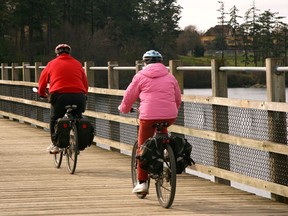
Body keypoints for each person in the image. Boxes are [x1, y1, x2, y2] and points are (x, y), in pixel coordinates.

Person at [118, 50, 182, 193]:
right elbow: (178, 98)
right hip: (170, 116)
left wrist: (123, 108)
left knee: (143, 146)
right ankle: (165, 155)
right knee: (162, 133)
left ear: (144, 62)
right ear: (161, 62)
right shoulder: (170, 76)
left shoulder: (140, 76)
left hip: (148, 117)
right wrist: (172, 110)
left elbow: (129, 96)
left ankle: (142, 183)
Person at [37, 44, 88, 154]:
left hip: (60, 97)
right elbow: (85, 83)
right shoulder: (78, 64)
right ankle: (78, 142)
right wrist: (84, 95)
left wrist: (41, 93)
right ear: (69, 53)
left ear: (57, 54)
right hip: (79, 96)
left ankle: (55, 145)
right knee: (78, 117)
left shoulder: (51, 64)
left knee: (54, 118)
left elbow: (42, 82)